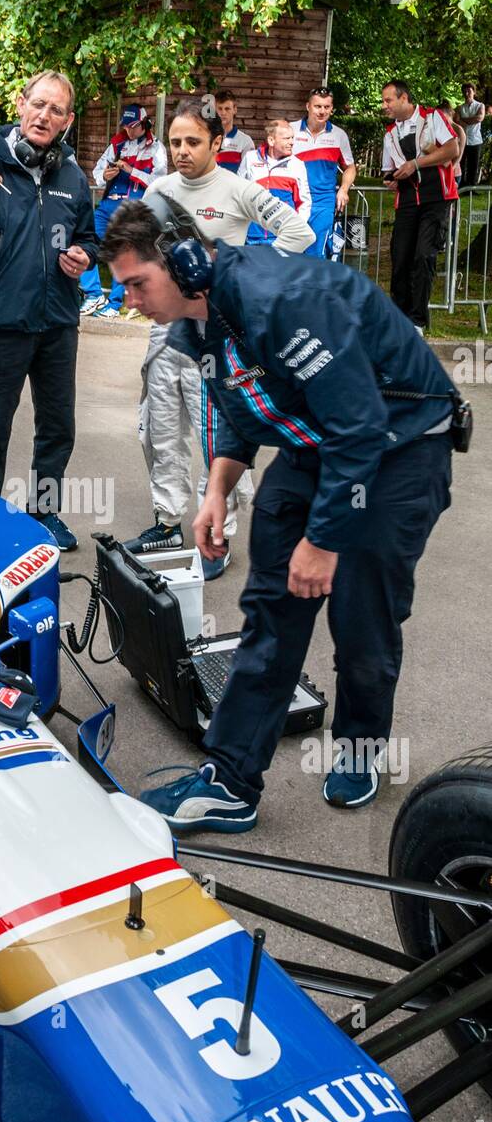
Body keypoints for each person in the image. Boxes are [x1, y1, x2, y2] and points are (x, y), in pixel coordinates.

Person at [101, 197, 457, 831]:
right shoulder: (196, 321)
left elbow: (360, 427)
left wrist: (323, 541)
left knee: (361, 613)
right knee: (270, 608)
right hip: (317, 443)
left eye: (136, 283)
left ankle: (360, 747)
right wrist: (217, 490)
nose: (130, 300)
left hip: (398, 445)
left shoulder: (279, 301)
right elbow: (239, 411)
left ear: (183, 263)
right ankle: (231, 781)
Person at [122, 101, 313, 573]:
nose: (182, 151)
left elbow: (299, 232)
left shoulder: (238, 188)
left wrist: (245, 279)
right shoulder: (158, 190)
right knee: (160, 428)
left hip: (219, 337)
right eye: (175, 142)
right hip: (167, 332)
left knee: (217, 436)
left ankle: (218, 538)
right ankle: (167, 521)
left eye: (192, 142)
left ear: (216, 143)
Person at [0, 70, 98, 552]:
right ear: (20, 104)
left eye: (56, 110)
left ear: (67, 121)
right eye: (38, 104)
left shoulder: (73, 176)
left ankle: (44, 513)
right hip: (2, 321)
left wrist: (84, 257)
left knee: (57, 426)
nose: (44, 116)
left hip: (58, 322)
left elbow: (88, 237)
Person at [381, 79, 459, 332]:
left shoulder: (432, 117)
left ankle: (417, 320)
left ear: (404, 98)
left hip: (436, 197)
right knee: (400, 258)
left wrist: (415, 164)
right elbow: (388, 171)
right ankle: (398, 318)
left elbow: (451, 149)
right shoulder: (390, 132)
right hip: (406, 201)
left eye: (388, 100)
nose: (385, 106)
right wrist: (390, 180)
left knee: (424, 256)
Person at [79, 104, 167, 317]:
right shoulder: (117, 143)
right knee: (84, 239)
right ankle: (93, 294)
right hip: (108, 203)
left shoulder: (156, 148)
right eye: (126, 126)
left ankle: (114, 303)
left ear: (144, 124)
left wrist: (131, 170)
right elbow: (97, 170)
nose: (129, 131)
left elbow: (160, 181)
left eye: (133, 126)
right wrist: (105, 176)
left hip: (133, 207)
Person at [291, 87, 356, 257]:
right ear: (308, 106)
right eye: (317, 106)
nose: (322, 111)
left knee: (317, 252)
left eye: (326, 107)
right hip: (293, 200)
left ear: (332, 109)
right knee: (291, 251)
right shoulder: (290, 130)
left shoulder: (339, 135)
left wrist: (344, 189)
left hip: (323, 202)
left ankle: (315, 284)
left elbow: (350, 167)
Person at [237, 118, 312, 242]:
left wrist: (295, 231)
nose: (292, 142)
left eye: (292, 138)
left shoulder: (297, 165)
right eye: (286, 138)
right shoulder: (250, 158)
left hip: (282, 237)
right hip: (253, 236)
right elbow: (237, 193)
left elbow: (304, 202)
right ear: (271, 140)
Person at [214, 90, 254, 174]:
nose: (223, 113)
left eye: (227, 109)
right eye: (220, 109)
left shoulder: (245, 141)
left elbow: (248, 173)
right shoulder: (206, 137)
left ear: (235, 110)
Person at [456, 83, 486, 189]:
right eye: (464, 91)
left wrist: (464, 120)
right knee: (462, 163)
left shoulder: (480, 105)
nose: (466, 93)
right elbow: (457, 121)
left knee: (474, 165)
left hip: (475, 140)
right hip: (463, 140)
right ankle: (462, 186)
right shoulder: (459, 107)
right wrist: (470, 120)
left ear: (474, 92)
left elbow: (479, 118)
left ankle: (472, 187)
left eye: (469, 90)